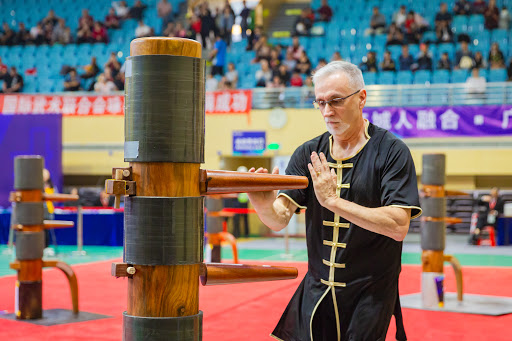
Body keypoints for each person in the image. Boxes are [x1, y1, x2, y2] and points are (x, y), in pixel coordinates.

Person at [247, 61, 421, 340]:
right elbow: (278, 220)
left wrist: (333, 201)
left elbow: (398, 225)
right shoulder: (307, 153)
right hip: (317, 287)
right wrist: (262, 202)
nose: (327, 111)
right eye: (320, 102)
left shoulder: (391, 152)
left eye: (336, 101)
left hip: (370, 291)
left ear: (361, 98)